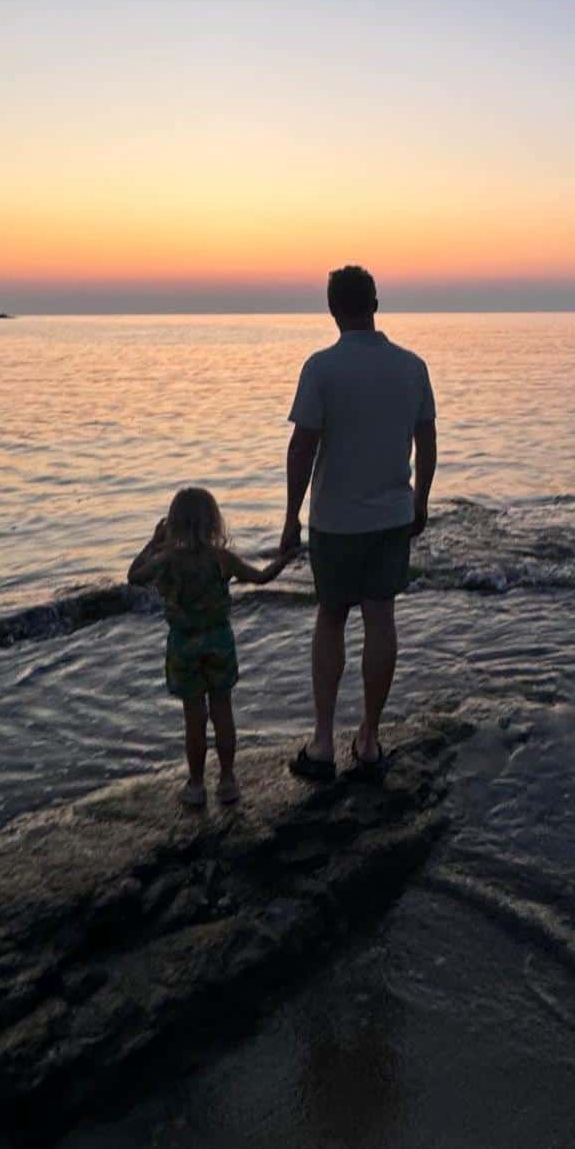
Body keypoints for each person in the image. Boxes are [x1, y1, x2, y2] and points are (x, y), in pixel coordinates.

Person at [281, 265, 437, 782]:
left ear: (332, 309)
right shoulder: (412, 367)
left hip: (336, 521)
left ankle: (323, 743)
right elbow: (427, 442)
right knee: (380, 619)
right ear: (376, 303)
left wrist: (291, 518)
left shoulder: (321, 368)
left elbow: (302, 447)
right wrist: (421, 502)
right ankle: (369, 739)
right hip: (391, 516)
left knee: (331, 617)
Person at [129, 485, 297, 807]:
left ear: (173, 524)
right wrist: (284, 559)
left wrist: (152, 543)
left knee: (194, 719)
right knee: (223, 712)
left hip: (183, 646)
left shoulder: (165, 561)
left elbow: (133, 576)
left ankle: (195, 784)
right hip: (220, 642)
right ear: (214, 523)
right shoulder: (222, 560)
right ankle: (228, 780)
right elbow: (261, 578)